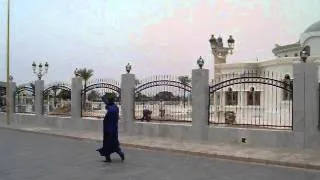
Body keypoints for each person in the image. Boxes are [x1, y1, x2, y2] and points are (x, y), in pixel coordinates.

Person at [96, 94, 125, 163]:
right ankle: (116, 155)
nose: (106, 102)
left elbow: (111, 121)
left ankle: (115, 155)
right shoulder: (114, 106)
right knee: (113, 144)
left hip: (110, 130)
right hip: (112, 129)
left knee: (108, 143)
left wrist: (109, 131)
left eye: (108, 101)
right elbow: (106, 102)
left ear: (110, 102)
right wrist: (104, 98)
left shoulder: (112, 110)